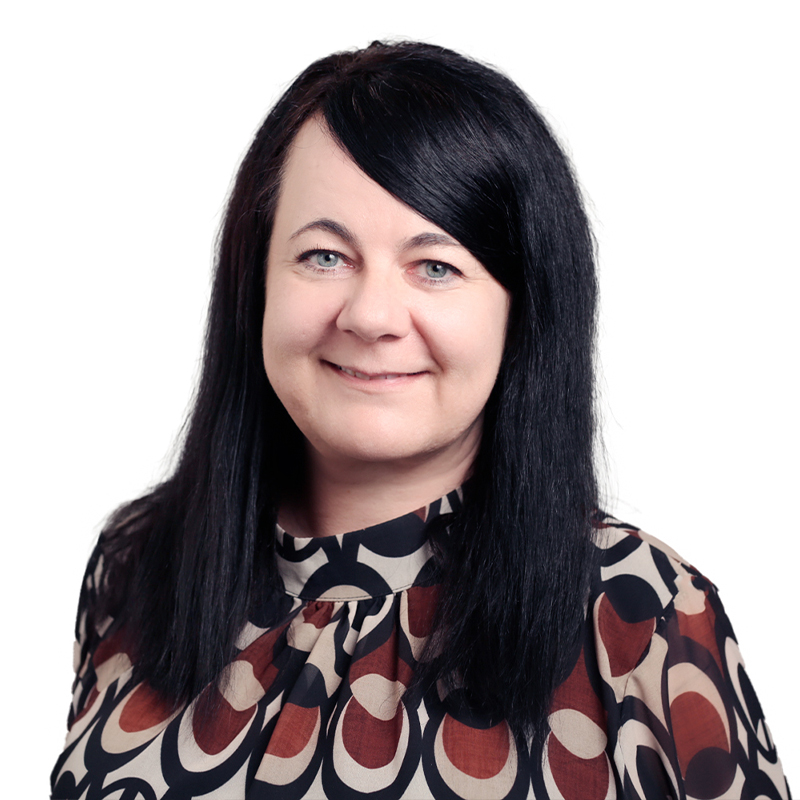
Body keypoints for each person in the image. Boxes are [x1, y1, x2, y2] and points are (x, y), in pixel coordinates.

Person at [51, 41, 789, 800]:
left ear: (524, 310)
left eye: (436, 266)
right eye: (324, 256)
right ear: (254, 281)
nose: (371, 315)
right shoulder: (137, 563)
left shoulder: (643, 613)